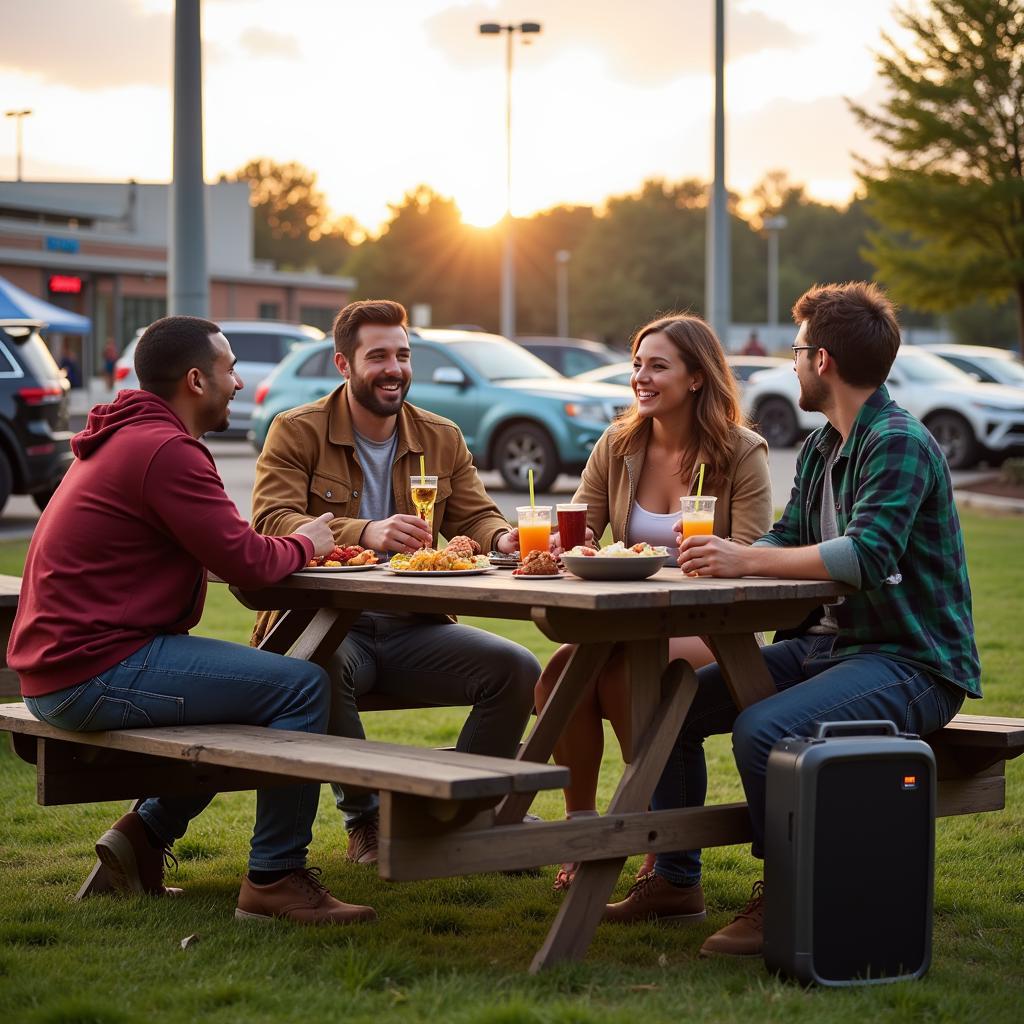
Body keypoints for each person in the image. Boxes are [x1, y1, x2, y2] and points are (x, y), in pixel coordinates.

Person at [605, 282, 980, 957]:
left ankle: (788, 892)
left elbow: (867, 555)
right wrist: (734, 554)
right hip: (831, 649)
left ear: (825, 361)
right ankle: (675, 881)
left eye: (799, 351)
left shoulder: (897, 442)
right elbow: (784, 536)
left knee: (765, 727)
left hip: (912, 660)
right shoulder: (823, 446)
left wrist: (745, 564)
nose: (794, 364)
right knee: (670, 700)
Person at [8, 315, 376, 926]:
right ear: (197, 379)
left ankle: (144, 837)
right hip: (91, 669)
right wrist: (313, 540)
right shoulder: (165, 450)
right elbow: (248, 563)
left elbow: (214, 547)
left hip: (65, 663)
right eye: (230, 370)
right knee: (301, 685)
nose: (238, 383)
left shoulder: (132, 438)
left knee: (255, 692)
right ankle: (274, 880)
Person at [250, 299, 541, 866]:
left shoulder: (441, 435)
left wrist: (503, 539)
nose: (395, 368)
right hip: (331, 626)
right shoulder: (296, 430)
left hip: (415, 625)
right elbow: (271, 521)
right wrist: (366, 530)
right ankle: (367, 820)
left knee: (517, 669)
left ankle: (458, 816)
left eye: (403, 355)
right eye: (378, 355)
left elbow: (477, 517)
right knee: (314, 668)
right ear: (343, 363)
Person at [534, 313, 773, 893]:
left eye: (657, 366)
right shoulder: (618, 445)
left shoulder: (741, 452)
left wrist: (713, 556)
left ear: (696, 378)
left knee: (630, 679)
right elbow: (579, 532)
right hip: (631, 619)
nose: (640, 377)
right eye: (637, 364)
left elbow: (754, 551)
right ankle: (584, 826)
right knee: (559, 674)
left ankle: (650, 834)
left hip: (716, 623)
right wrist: (580, 545)